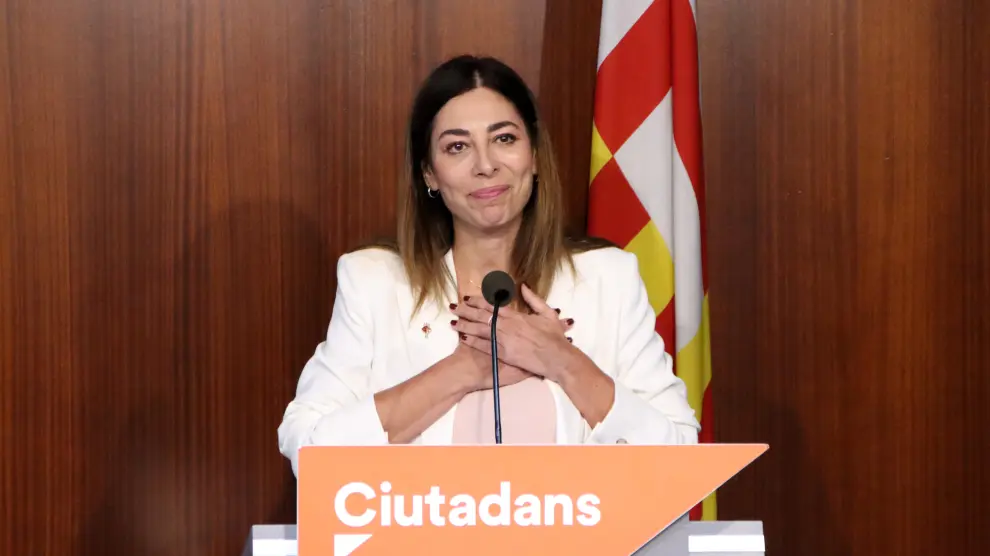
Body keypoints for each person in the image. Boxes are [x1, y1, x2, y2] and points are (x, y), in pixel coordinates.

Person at [277, 55, 700, 476]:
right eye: (457, 147)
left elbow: (681, 459)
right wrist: (463, 371)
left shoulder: (608, 278)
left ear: (534, 156)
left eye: (504, 138)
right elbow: (309, 450)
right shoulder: (375, 282)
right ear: (429, 174)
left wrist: (562, 361)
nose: (485, 165)